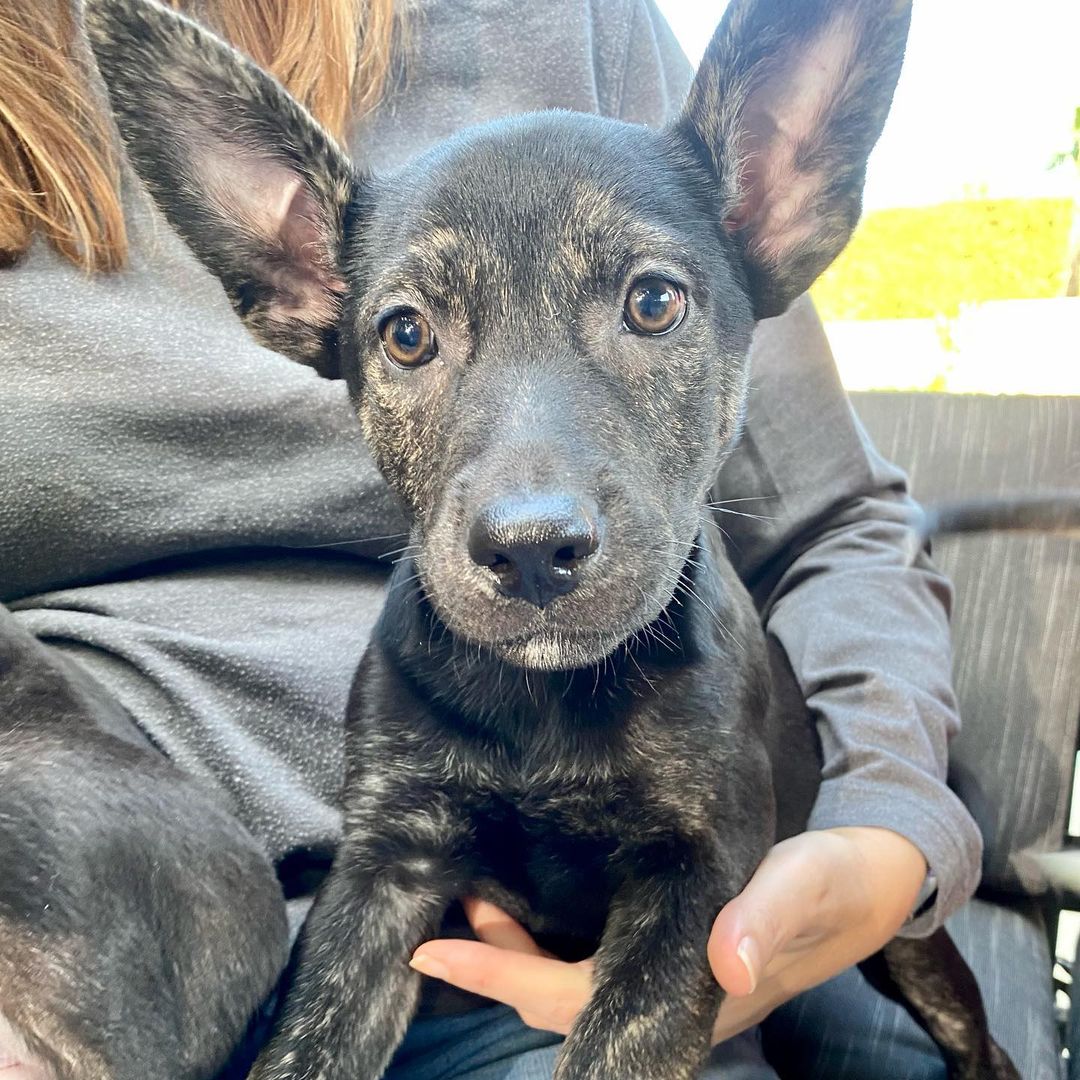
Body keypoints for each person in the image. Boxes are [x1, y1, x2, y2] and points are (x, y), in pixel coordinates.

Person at [0, 1, 983, 1077]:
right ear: (300, 294)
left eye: (649, 303)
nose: (525, 522)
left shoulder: (568, 30)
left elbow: (836, 519)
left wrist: (892, 825)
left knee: (921, 1034)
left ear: (777, 209)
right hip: (85, 882)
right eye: (411, 333)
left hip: (572, 963)